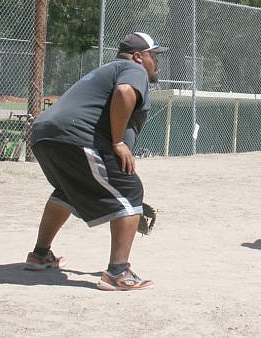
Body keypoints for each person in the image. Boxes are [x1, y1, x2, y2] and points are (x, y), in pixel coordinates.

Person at [23, 32, 167, 291]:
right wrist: (118, 142)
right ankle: (118, 273)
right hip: (77, 137)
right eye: (153, 56)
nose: (156, 63)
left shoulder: (108, 69)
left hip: (45, 135)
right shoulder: (134, 70)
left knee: (68, 191)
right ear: (138, 57)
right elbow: (124, 93)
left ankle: (40, 254)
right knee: (130, 189)